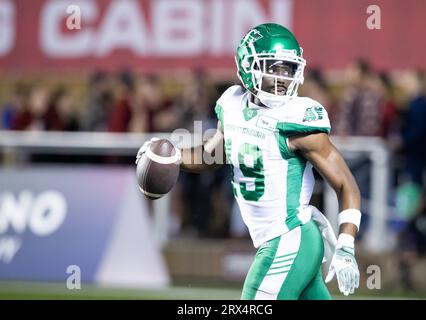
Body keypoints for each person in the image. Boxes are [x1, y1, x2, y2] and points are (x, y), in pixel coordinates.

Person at [136, 23, 361, 299]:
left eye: (287, 70)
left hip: (290, 236)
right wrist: (172, 155)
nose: (281, 79)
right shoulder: (232, 104)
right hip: (280, 240)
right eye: (272, 68)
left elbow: (346, 184)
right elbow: (213, 153)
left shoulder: (298, 116)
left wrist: (347, 244)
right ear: (246, 67)